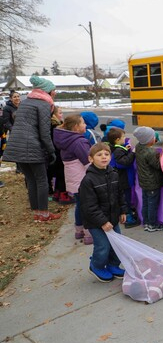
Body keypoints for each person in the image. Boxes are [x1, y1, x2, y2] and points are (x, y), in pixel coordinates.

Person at [3, 76, 60, 222]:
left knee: (31, 179)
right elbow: (44, 132)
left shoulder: (26, 102)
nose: (55, 93)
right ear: (46, 91)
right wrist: (51, 150)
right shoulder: (44, 105)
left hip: (16, 146)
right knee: (41, 180)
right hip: (32, 147)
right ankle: (44, 214)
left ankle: (37, 212)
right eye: (53, 90)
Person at [79, 143, 127, 282]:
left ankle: (113, 265)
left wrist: (123, 210)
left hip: (112, 218)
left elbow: (120, 194)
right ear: (91, 159)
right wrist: (102, 222)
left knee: (117, 244)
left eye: (106, 154)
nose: (104, 157)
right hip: (96, 222)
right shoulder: (88, 180)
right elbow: (89, 206)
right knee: (103, 246)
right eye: (99, 155)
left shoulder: (113, 174)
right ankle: (97, 266)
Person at [54, 114, 92, 243]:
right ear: (76, 127)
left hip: (73, 180)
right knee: (87, 207)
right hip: (83, 180)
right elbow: (88, 162)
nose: (85, 125)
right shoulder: (79, 142)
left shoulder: (66, 141)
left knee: (79, 205)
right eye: (83, 123)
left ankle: (79, 230)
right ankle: (88, 234)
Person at [133, 126, 163, 233]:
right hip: (152, 183)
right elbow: (158, 166)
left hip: (144, 182)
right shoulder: (151, 152)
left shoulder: (138, 147)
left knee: (146, 203)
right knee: (152, 204)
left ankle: (146, 222)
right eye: (153, 137)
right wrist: (161, 156)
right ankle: (152, 224)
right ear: (149, 140)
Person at [107, 127, 139, 228]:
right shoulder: (117, 151)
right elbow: (124, 162)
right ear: (117, 139)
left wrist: (126, 148)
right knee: (126, 200)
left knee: (124, 198)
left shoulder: (115, 148)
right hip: (123, 180)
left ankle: (127, 214)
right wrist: (133, 153)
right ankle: (128, 218)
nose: (124, 138)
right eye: (123, 137)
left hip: (121, 179)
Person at [48, 106, 72, 204]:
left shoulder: (49, 125)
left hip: (55, 153)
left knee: (59, 175)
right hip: (59, 153)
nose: (62, 115)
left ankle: (57, 193)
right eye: (60, 113)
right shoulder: (56, 127)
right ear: (54, 115)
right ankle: (63, 196)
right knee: (62, 175)